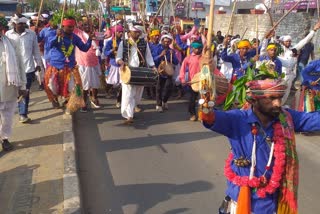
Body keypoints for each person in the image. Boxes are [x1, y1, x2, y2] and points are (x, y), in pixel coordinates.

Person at [202, 78, 320, 214]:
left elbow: (313, 120)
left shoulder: (286, 118)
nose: (278, 103)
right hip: (239, 200)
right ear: (253, 100)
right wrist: (206, 100)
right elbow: (210, 118)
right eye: (271, 98)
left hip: (270, 203)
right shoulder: (237, 119)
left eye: (280, 98)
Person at [44, 17, 93, 112]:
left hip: (70, 67)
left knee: (73, 88)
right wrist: (56, 37)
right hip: (56, 66)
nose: (71, 29)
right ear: (63, 26)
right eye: (69, 27)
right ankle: (55, 100)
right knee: (52, 87)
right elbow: (49, 45)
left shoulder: (75, 37)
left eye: (72, 27)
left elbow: (84, 48)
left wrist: (90, 39)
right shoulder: (54, 34)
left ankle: (68, 104)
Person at [5, 14, 44, 123]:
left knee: (25, 91)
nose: (22, 25)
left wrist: (38, 64)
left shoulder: (31, 34)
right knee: (14, 92)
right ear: (14, 24)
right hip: (13, 70)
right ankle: (15, 110)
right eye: (19, 23)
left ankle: (23, 113)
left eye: (23, 23)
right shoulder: (8, 35)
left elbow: (36, 50)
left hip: (28, 68)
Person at [116, 23, 156, 124]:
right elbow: (118, 57)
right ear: (130, 32)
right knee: (128, 94)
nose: (137, 34)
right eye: (135, 32)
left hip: (140, 71)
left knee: (137, 95)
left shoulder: (144, 43)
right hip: (127, 72)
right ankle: (129, 116)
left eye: (139, 32)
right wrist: (121, 62)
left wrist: (153, 66)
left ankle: (132, 109)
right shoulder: (123, 43)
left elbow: (148, 56)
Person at [0, 17, 26, 151]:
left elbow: (20, 65)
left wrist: (23, 86)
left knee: (8, 116)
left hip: (10, 86)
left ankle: (4, 138)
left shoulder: (11, 43)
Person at [74, 19, 102, 112]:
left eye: (89, 25)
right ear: (81, 26)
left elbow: (107, 36)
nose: (87, 27)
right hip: (83, 63)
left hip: (94, 62)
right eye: (85, 25)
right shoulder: (78, 33)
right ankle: (83, 103)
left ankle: (94, 98)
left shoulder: (97, 35)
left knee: (95, 83)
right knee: (84, 85)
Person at [152, 34, 179, 112]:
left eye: (168, 41)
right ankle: (159, 105)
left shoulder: (172, 51)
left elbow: (176, 62)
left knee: (168, 88)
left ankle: (165, 101)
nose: (166, 43)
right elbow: (153, 59)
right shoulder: (157, 48)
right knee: (159, 88)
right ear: (162, 41)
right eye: (165, 41)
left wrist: (173, 55)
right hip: (159, 71)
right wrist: (160, 55)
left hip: (168, 73)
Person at [179, 40, 203, 121]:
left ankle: (202, 115)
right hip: (192, 82)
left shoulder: (204, 57)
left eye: (199, 48)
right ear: (192, 48)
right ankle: (192, 114)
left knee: (203, 100)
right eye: (195, 48)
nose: (197, 50)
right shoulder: (188, 58)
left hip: (203, 82)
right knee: (192, 99)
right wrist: (182, 79)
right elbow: (182, 69)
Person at [104, 24, 124, 108]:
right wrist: (112, 50)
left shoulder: (123, 42)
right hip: (112, 65)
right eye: (119, 32)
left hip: (121, 65)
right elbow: (105, 53)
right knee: (110, 83)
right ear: (115, 33)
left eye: (122, 32)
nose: (121, 33)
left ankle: (118, 100)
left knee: (122, 85)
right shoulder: (109, 42)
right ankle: (107, 91)